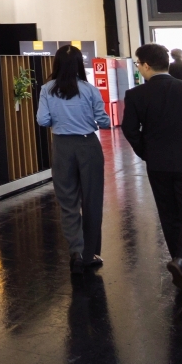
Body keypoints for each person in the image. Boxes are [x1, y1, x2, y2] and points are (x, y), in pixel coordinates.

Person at [122, 43, 182, 292]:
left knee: (169, 214)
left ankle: (180, 263)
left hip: (158, 165)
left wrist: (147, 153)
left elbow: (130, 130)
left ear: (146, 65)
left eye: (138, 64)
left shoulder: (135, 95)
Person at [35, 44, 111, 271]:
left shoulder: (47, 89)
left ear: (56, 64)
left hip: (61, 146)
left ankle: (75, 251)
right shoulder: (90, 89)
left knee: (68, 201)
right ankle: (90, 254)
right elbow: (104, 121)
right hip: (88, 145)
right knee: (92, 200)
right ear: (79, 64)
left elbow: (42, 120)